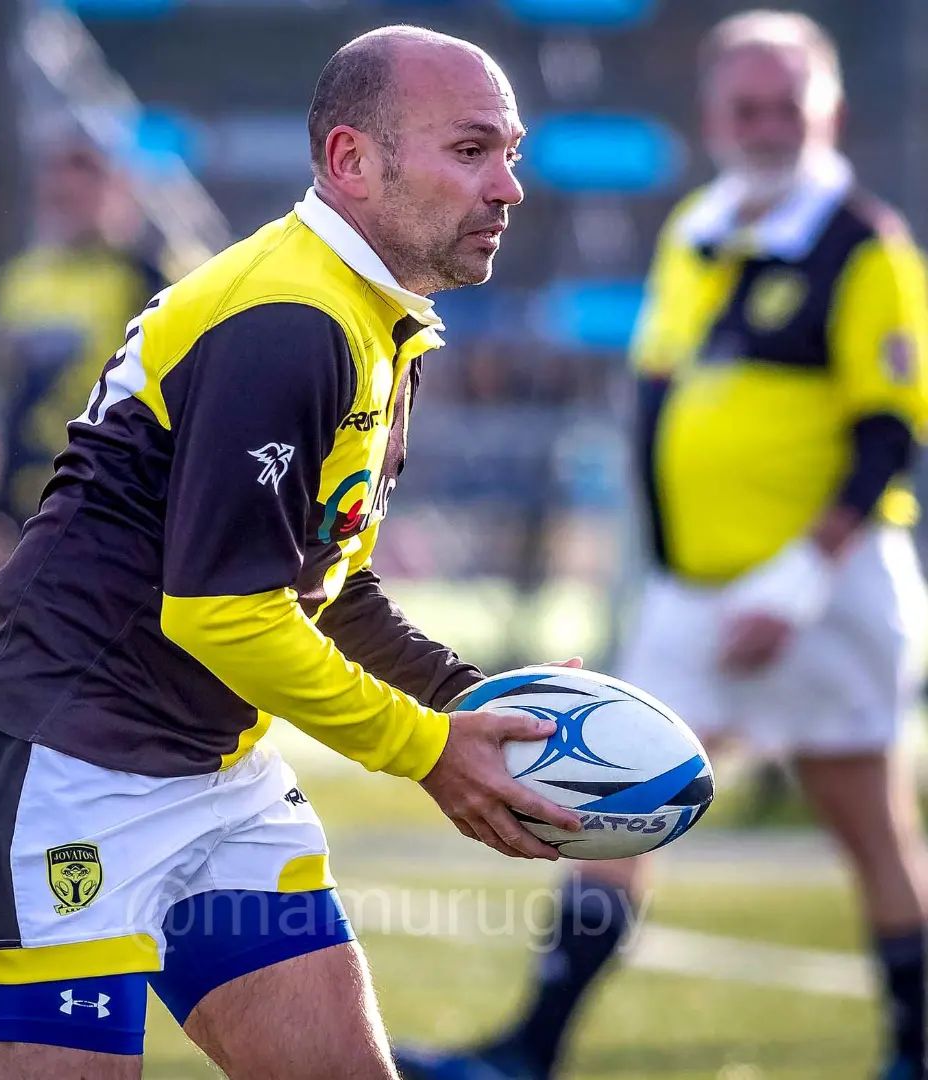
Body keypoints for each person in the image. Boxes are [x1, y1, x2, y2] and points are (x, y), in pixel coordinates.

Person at [0, 25, 584, 1080]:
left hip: (212, 777)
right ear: (352, 161)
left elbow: (322, 586)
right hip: (60, 766)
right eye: (470, 152)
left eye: (510, 152)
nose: (507, 186)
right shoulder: (290, 320)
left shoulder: (369, 312)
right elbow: (221, 612)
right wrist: (423, 751)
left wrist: (467, 698)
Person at [396, 11, 928, 1080]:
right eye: (748, 105)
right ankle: (529, 1051)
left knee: (866, 818)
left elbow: (890, 432)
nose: (768, 124)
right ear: (712, 114)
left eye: (789, 105)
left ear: (830, 112)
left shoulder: (862, 241)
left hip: (822, 590)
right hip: (694, 594)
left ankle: (915, 1052)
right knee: (606, 802)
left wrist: (797, 574)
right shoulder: (697, 227)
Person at [0, 138, 165, 563]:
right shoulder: (19, 281)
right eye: (60, 198)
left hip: (113, 488)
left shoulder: (144, 279)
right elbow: (8, 401)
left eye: (85, 196)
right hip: (34, 488)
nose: (72, 210)